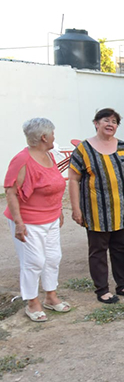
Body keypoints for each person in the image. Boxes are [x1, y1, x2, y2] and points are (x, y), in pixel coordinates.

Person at [69, 108, 124, 303]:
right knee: (98, 251)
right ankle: (102, 289)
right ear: (96, 123)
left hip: (123, 210)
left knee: (120, 248)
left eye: (114, 121)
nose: (110, 124)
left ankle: (123, 285)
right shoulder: (84, 150)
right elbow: (73, 180)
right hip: (96, 213)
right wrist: (76, 209)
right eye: (106, 120)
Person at [5, 118, 70, 322]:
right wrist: (18, 222)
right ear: (44, 137)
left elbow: (54, 185)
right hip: (28, 220)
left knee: (52, 257)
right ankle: (32, 302)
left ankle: (51, 296)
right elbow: (10, 191)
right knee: (34, 261)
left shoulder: (48, 155)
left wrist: (58, 209)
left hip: (50, 218)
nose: (54, 136)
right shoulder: (22, 160)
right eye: (52, 133)